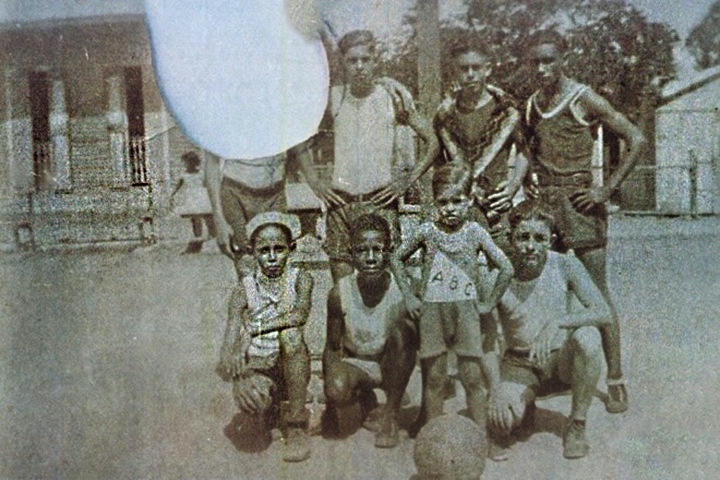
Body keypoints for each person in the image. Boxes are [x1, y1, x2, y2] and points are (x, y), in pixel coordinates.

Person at [522, 30, 647, 413]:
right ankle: (555, 370)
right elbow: (530, 149)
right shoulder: (531, 104)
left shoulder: (583, 97)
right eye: (535, 61)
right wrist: (528, 180)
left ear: (563, 59)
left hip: (581, 203)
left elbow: (637, 138)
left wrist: (605, 190)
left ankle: (616, 379)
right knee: (548, 292)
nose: (542, 68)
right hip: (546, 205)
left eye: (549, 60)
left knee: (597, 294)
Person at [391, 163, 514, 434]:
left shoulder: (475, 232)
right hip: (433, 311)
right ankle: (435, 437)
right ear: (434, 203)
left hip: (466, 312)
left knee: (471, 377)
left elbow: (506, 267)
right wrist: (410, 296)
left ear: (469, 201)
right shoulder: (426, 231)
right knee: (434, 378)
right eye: (443, 201)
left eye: (457, 201)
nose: (449, 208)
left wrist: (488, 302)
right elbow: (396, 257)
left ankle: (481, 438)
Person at [311, 29, 440, 282]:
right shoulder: (333, 97)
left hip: (381, 203)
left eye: (365, 59)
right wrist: (315, 182)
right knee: (343, 290)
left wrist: (406, 181)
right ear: (343, 63)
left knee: (386, 286)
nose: (359, 66)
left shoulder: (392, 97)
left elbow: (432, 141)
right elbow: (299, 139)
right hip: (341, 205)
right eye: (352, 60)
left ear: (375, 61)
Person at [488, 200, 612, 459]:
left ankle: (577, 424)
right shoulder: (500, 274)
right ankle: (526, 403)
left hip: (560, 361)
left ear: (551, 240)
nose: (530, 246)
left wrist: (557, 322)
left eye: (539, 238)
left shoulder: (565, 265)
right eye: (522, 237)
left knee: (588, 337)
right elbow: (484, 337)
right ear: (510, 238)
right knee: (503, 422)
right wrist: (496, 388)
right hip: (520, 362)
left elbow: (603, 313)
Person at [216, 212, 314, 463]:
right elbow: (227, 350)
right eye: (264, 250)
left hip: (289, 362)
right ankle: (275, 402)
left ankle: (296, 425)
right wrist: (238, 374)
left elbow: (298, 316)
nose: (271, 257)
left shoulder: (300, 279)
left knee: (291, 337)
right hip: (260, 363)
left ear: (291, 249)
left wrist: (253, 330)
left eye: (279, 249)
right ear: (253, 252)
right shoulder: (243, 291)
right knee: (253, 405)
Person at [322, 213, 416, 448]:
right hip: (358, 363)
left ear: (390, 251)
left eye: (378, 249)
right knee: (336, 389)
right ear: (352, 254)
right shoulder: (339, 293)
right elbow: (332, 347)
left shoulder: (401, 289)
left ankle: (391, 414)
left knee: (404, 332)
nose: (371, 258)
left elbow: (413, 343)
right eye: (363, 250)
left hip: (390, 363)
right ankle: (365, 399)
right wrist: (331, 401)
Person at [434, 40, 527, 249]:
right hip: (458, 208)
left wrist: (513, 186)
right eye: (463, 68)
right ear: (454, 72)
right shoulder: (445, 114)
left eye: (476, 67)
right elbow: (439, 160)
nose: (470, 74)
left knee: (500, 268)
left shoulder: (506, 111)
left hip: (496, 205)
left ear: (488, 69)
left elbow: (525, 151)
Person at [204, 141, 322, 274]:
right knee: (246, 262)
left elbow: (300, 147)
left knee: (277, 260)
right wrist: (219, 220)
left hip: (274, 193)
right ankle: (250, 292)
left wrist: (316, 183)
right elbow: (211, 163)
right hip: (236, 192)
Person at [168, 151, 217, 253]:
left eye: (191, 162)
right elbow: (178, 186)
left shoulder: (201, 174)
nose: (188, 165)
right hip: (191, 198)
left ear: (195, 163)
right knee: (195, 219)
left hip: (202, 196)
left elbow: (208, 185)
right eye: (186, 162)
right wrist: (171, 195)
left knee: (209, 218)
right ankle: (197, 239)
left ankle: (214, 240)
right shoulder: (184, 175)